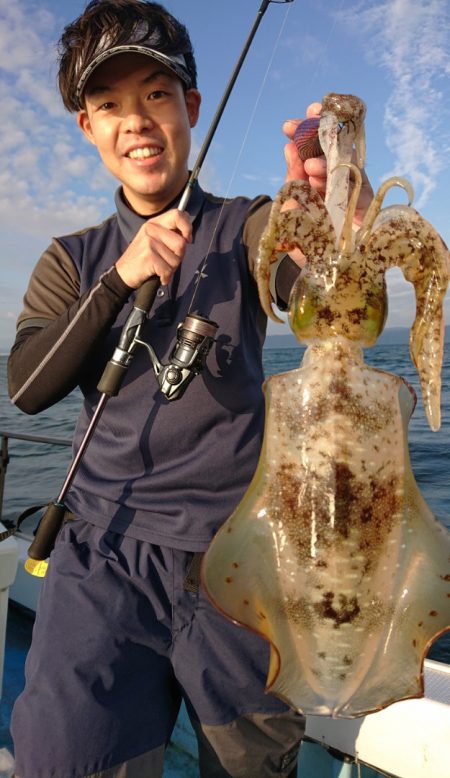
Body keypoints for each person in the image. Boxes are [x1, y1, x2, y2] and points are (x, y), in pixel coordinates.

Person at [7, 2, 371, 776]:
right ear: (86, 127)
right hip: (101, 552)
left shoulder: (246, 224)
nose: (136, 121)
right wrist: (119, 279)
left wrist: (330, 219)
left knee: (251, 762)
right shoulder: (72, 260)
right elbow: (28, 388)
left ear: (191, 108)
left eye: (157, 95)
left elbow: (304, 286)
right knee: (63, 757)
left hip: (238, 560)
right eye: (110, 104)